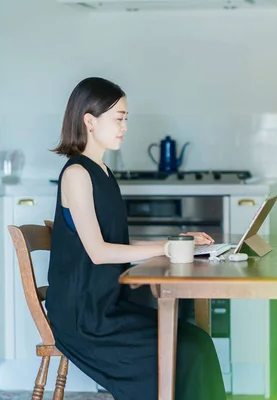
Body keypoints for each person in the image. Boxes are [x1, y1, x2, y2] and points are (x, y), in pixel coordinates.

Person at [45, 77, 227, 400]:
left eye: (126, 118)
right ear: (89, 121)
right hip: (85, 319)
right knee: (188, 354)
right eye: (118, 118)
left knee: (198, 342)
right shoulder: (76, 174)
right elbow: (99, 252)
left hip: (110, 307)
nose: (125, 127)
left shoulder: (103, 173)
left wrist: (178, 241)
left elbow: (113, 243)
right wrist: (168, 248)